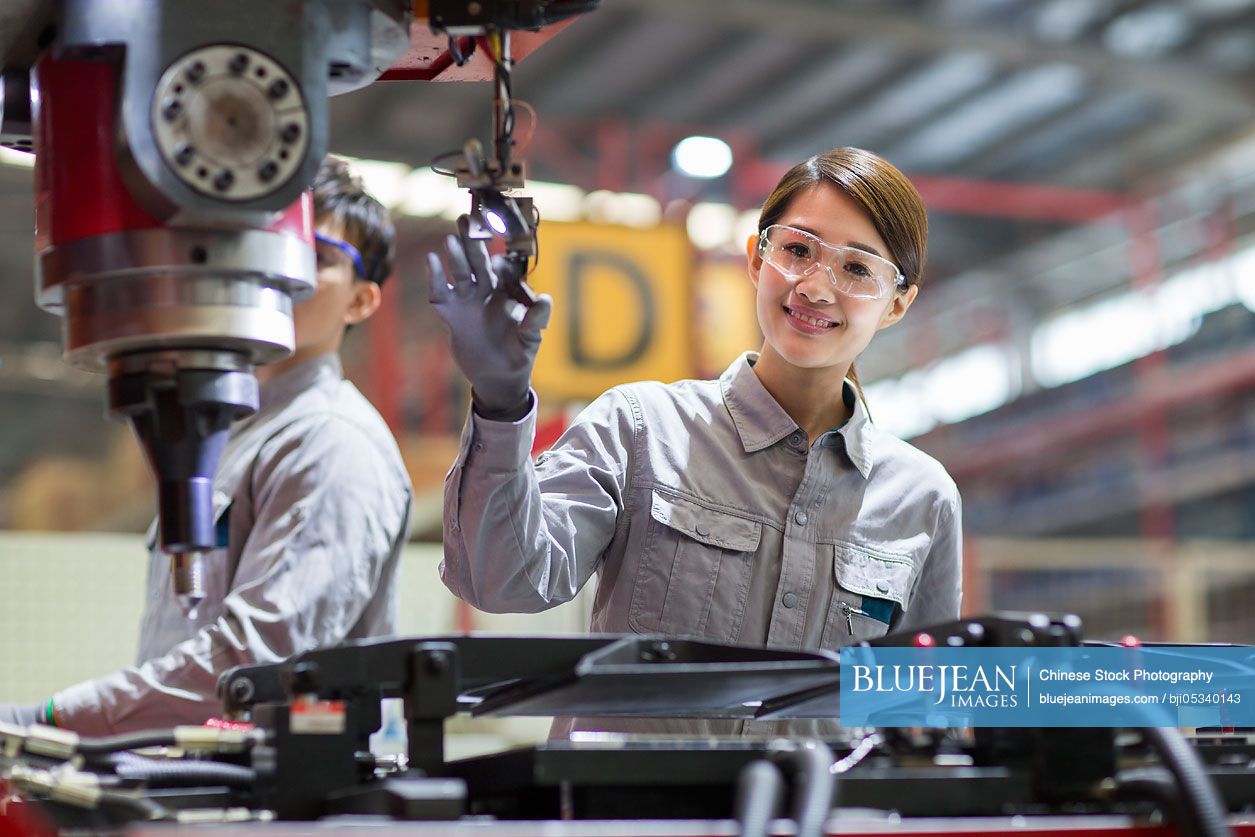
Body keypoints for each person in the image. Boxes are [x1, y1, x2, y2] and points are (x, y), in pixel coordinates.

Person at [429, 146, 961, 736]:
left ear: (897, 303)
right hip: (642, 826)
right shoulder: (639, 429)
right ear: (758, 260)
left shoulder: (923, 498)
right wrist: (500, 405)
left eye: (858, 268)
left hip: (819, 822)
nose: (815, 286)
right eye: (797, 250)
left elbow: (920, 713)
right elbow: (501, 580)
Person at [0, 156, 413, 735]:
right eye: (269, 247)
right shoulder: (236, 438)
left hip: (290, 812)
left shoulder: (331, 443)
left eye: (313, 259)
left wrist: (56, 717)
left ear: (361, 301)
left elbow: (257, 661)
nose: (280, 274)